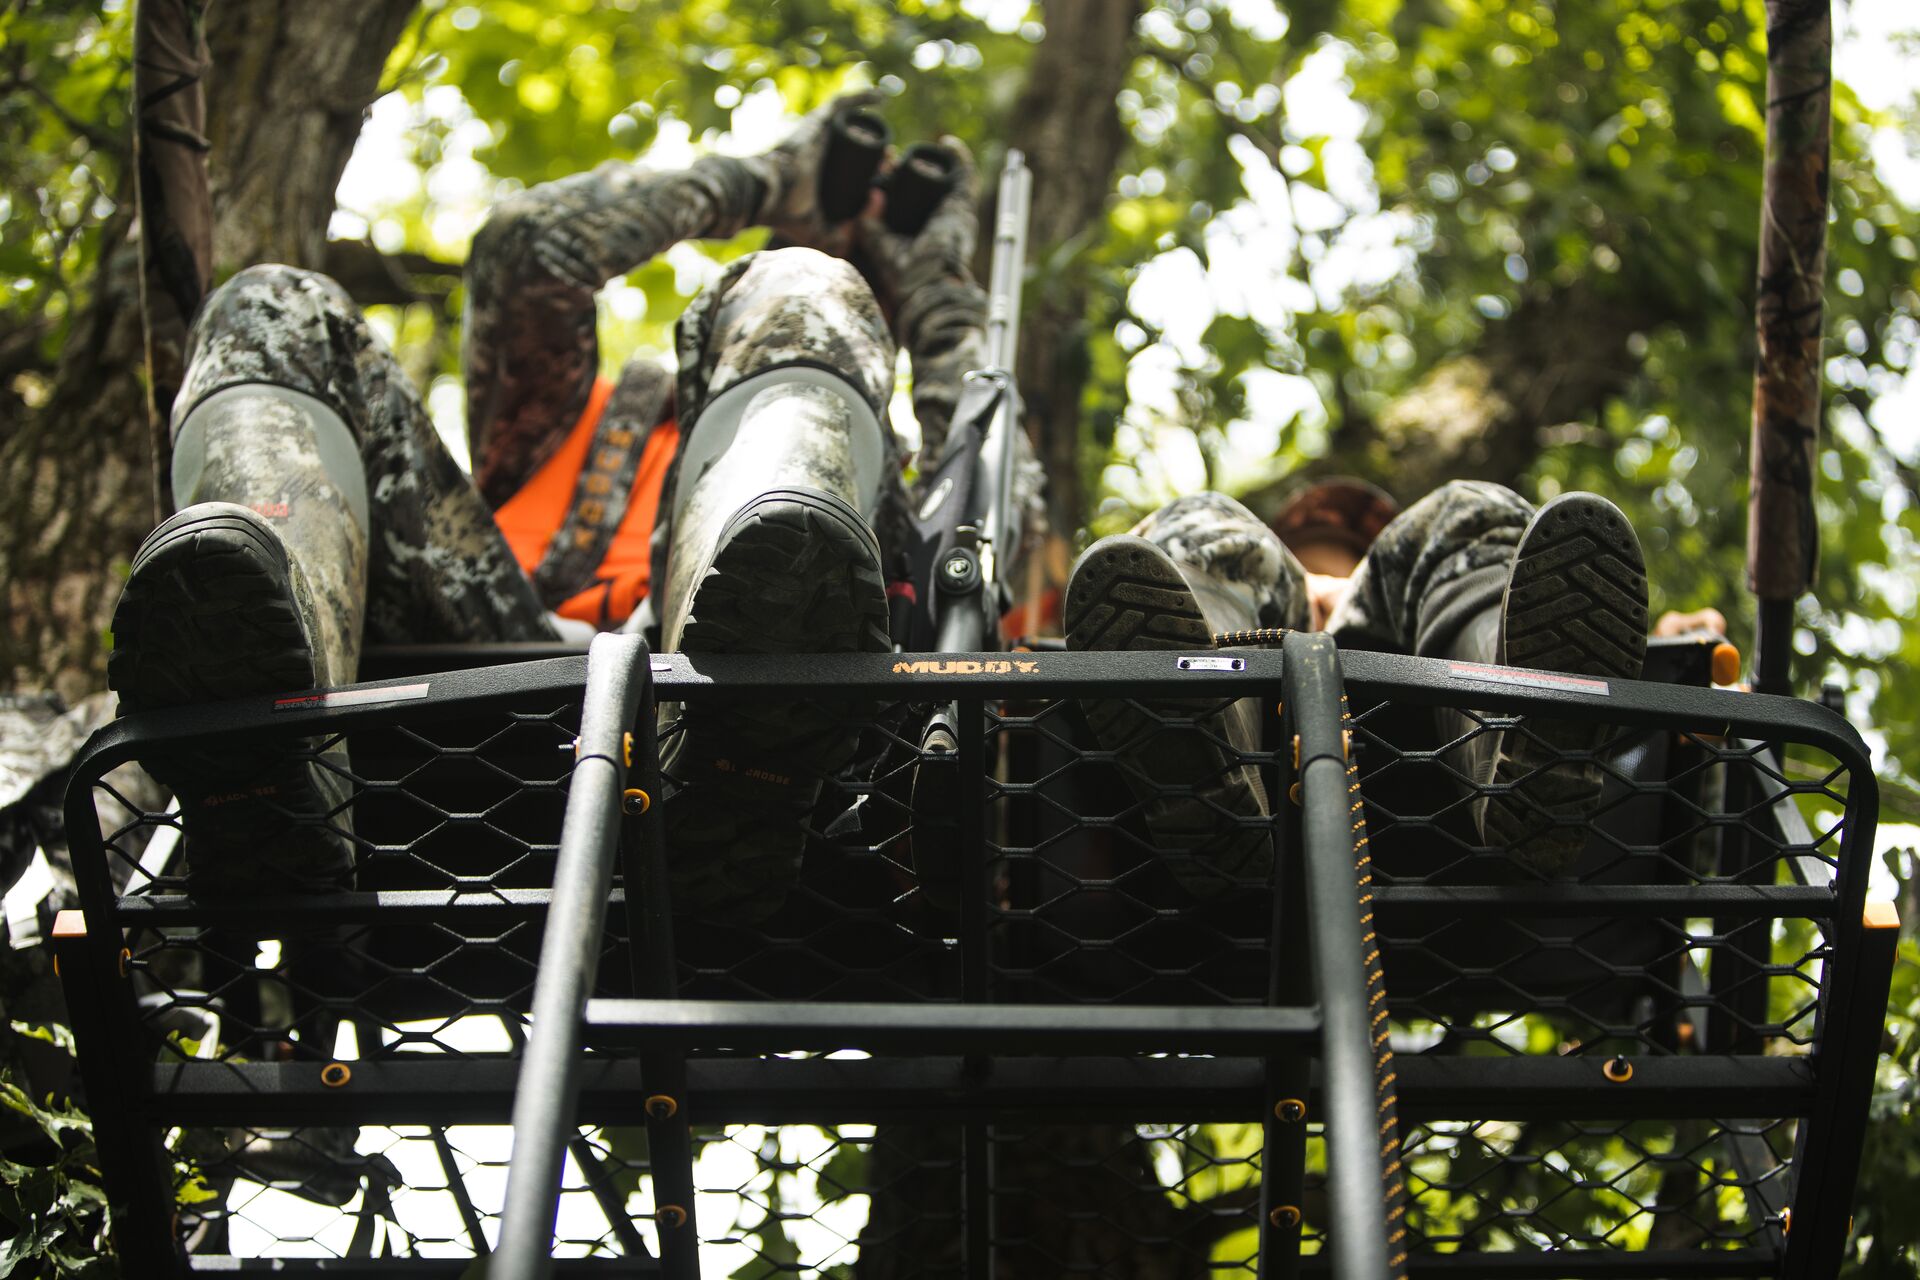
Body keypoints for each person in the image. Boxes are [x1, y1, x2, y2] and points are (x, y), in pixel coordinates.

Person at [105, 95, 991, 918]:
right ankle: (268, 757)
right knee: (270, 305)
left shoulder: (886, 492)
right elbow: (529, 247)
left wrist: (930, 284)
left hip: (713, 730)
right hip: (476, 682)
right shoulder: (574, 421)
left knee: (806, 292)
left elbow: (980, 452)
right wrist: (772, 179)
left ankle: (734, 751)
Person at [1063, 479, 1655, 880]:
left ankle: (1521, 732)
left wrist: (1681, 639)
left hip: (1412, 702)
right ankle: (1202, 732)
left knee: (1465, 511)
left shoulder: (1394, 585)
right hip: (1273, 700)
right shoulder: (1275, 574)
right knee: (1210, 525)